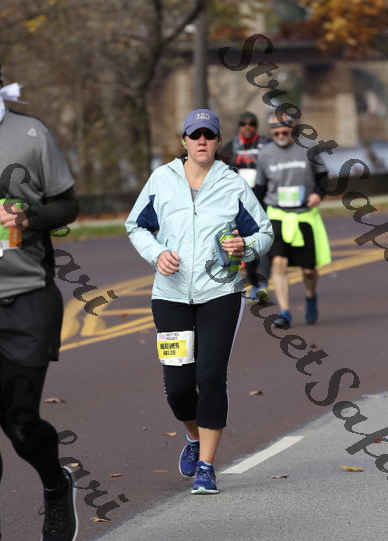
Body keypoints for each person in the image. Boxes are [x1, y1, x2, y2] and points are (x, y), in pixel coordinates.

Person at [125, 109, 273, 494]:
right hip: (170, 295)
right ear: (184, 141)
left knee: (210, 378)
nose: (202, 140)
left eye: (209, 134)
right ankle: (193, 436)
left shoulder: (232, 183)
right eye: (195, 135)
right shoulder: (162, 179)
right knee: (178, 387)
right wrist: (157, 253)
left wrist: (245, 245)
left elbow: (264, 233)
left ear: (218, 141)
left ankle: (206, 466)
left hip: (220, 293)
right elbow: (136, 225)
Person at [0, 42, 79, 541]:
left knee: (18, 421)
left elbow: (68, 204)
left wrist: (28, 214)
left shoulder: (30, 134)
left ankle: (54, 481)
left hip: (25, 295)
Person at [254, 114, 331, 329]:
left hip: (304, 214)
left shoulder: (309, 148)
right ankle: (285, 312)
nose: (280, 136)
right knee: (278, 262)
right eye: (275, 133)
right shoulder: (266, 154)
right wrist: (257, 217)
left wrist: (318, 195)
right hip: (277, 214)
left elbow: (322, 176)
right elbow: (260, 188)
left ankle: (310, 296)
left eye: (284, 132)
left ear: (293, 128)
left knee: (308, 270)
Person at [221, 111, 271, 304]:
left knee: (264, 244)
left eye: (251, 124)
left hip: (264, 201)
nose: (247, 127)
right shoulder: (231, 148)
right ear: (239, 127)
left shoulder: (266, 145)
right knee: (245, 244)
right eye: (243, 124)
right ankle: (254, 283)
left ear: (256, 127)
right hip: (241, 205)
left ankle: (263, 284)